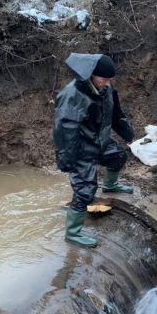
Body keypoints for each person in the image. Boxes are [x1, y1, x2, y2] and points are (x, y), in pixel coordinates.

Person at [53, 53, 134, 248]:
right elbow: (64, 130)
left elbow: (116, 114)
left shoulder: (106, 89)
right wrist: (66, 160)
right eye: (104, 79)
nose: (107, 83)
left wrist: (128, 133)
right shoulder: (72, 95)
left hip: (101, 142)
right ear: (91, 75)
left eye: (110, 80)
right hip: (82, 149)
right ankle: (72, 233)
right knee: (85, 190)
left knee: (119, 155)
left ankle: (110, 185)